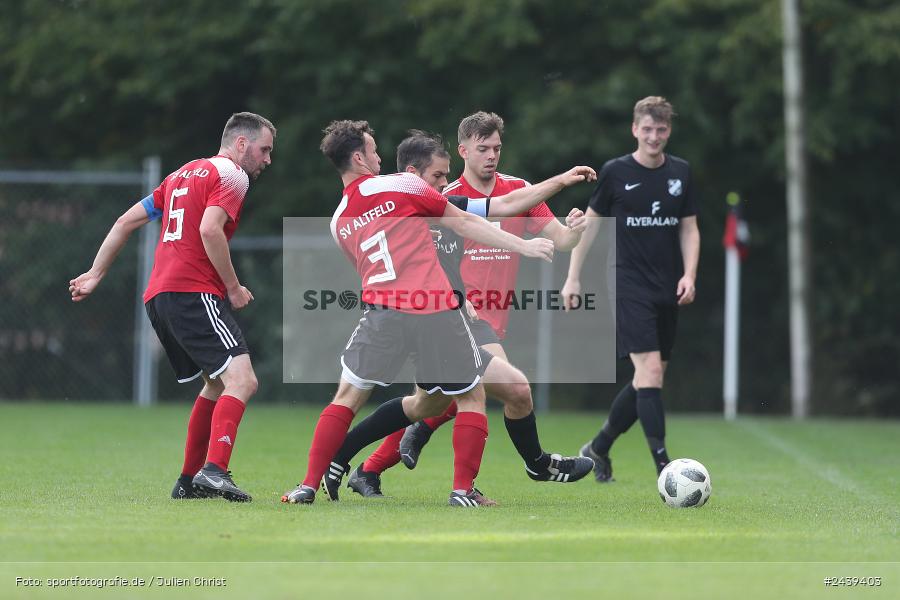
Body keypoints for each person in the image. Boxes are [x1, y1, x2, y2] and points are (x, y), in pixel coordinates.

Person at [281, 120, 556, 507]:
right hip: (434, 310)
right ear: (359, 157)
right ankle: (462, 491)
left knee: (347, 397)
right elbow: (464, 221)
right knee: (471, 395)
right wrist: (523, 246)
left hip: (381, 313)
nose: (380, 157)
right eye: (374, 150)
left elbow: (365, 266)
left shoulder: (337, 220)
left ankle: (307, 484)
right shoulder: (404, 184)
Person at [343, 129, 597, 503]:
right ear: (463, 151)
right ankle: (533, 467)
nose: (491, 155)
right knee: (509, 390)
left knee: (432, 403)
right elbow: (414, 257)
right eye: (483, 149)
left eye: (496, 147)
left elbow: (559, 239)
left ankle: (363, 464)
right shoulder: (439, 195)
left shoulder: (518, 189)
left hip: (489, 318)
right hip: (452, 317)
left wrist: (574, 233)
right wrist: (453, 296)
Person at [69, 112, 276, 502]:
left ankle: (188, 481)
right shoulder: (233, 176)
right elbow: (210, 229)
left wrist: (96, 272)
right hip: (192, 292)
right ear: (242, 144)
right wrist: (232, 287)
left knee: (216, 383)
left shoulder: (180, 175)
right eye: (264, 150)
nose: (267, 159)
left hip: (160, 296)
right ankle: (214, 472)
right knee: (244, 380)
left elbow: (124, 221)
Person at [561, 96, 700, 481]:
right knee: (651, 372)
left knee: (647, 379)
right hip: (626, 282)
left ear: (668, 131)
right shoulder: (615, 172)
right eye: (647, 129)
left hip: (667, 285)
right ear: (635, 129)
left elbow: (689, 227)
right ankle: (665, 467)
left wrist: (689, 274)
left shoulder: (681, 173)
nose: (654, 136)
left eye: (661, 129)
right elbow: (590, 225)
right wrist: (572, 277)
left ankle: (598, 448)